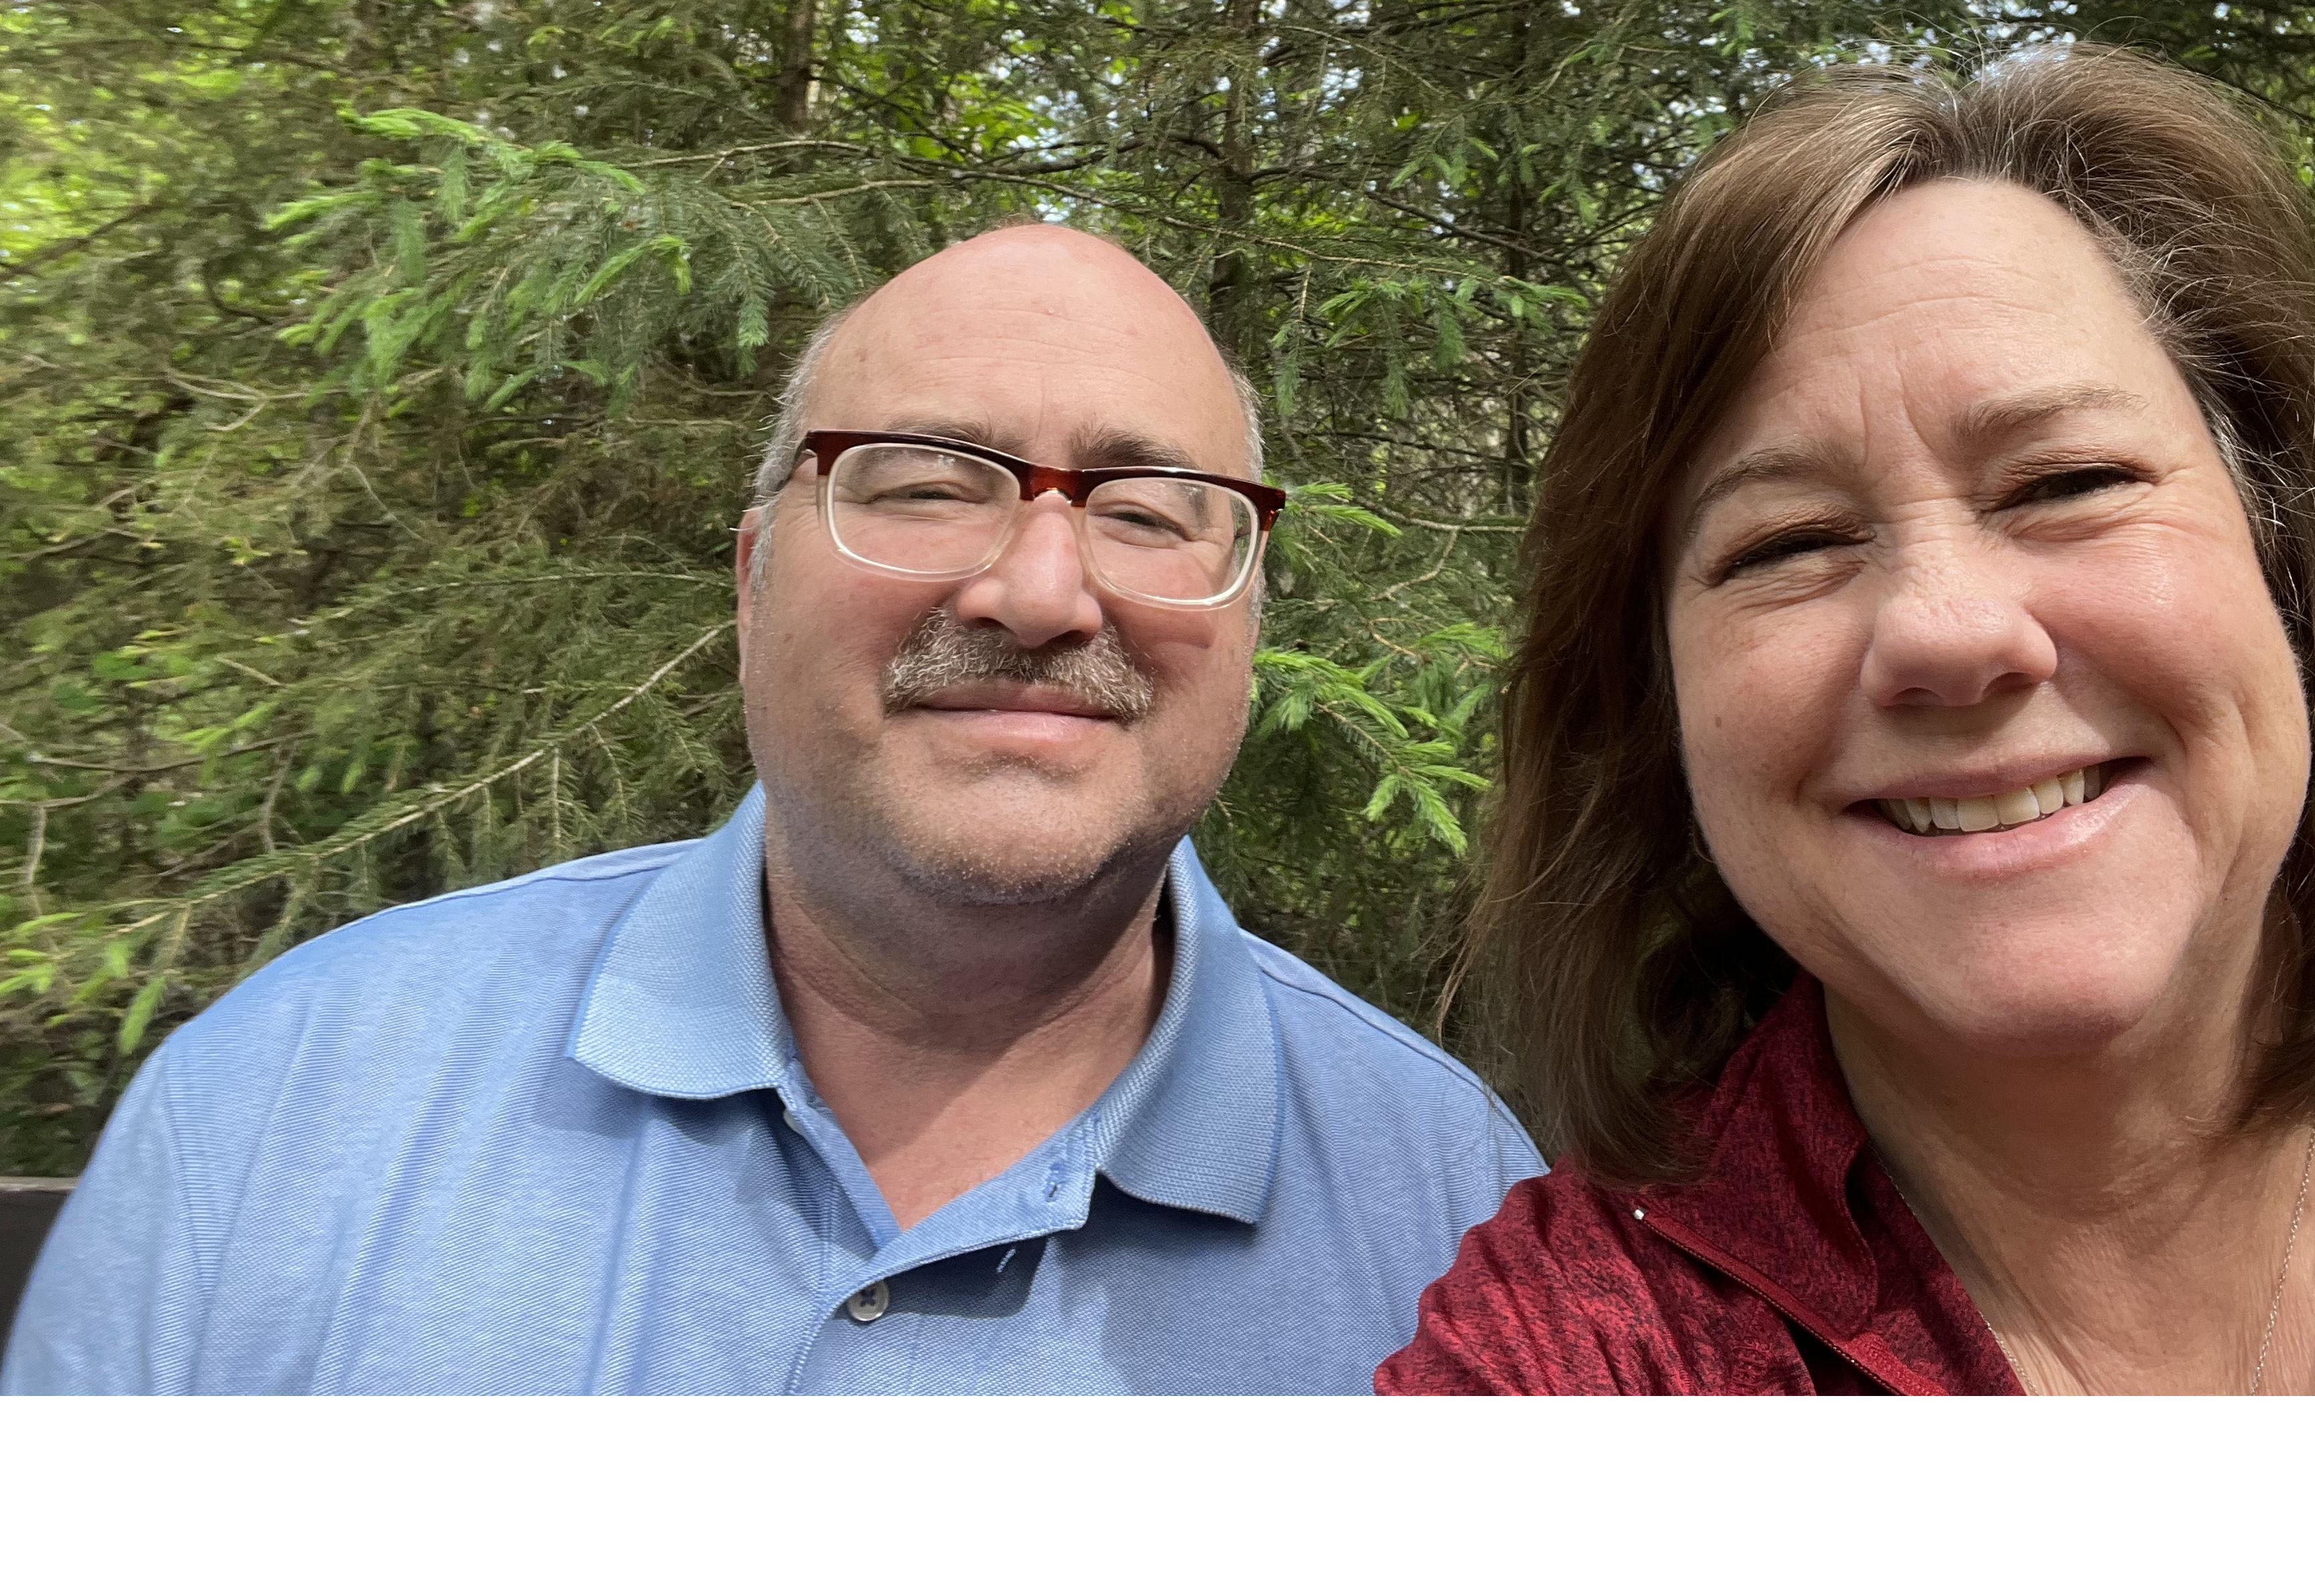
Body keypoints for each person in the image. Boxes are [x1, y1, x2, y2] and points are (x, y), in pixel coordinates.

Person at [7, 223, 1539, 1393]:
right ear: (752, 584)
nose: (1041, 591)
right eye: (929, 485)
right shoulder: (279, 1111)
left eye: (1145, 513)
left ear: (1249, 629)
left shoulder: (1473, 1231)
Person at [1383, 47, 2315, 1395]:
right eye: (1790, 542)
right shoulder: (1572, 1368)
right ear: (1659, 706)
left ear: (2293, 566)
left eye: (2066, 481)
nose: (1949, 632)